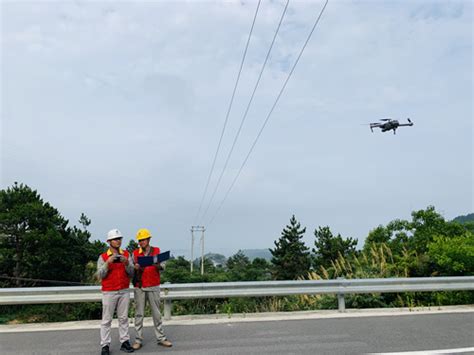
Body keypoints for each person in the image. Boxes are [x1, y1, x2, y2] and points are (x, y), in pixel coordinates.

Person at [131, 228, 172, 350]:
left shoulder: (156, 251)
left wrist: (157, 264)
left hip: (154, 285)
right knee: (139, 314)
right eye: (140, 240)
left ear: (149, 239)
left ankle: (161, 338)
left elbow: (163, 266)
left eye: (144, 239)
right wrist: (135, 267)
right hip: (140, 286)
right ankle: (138, 339)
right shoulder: (135, 253)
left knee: (156, 314)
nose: (142, 242)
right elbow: (130, 268)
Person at [97, 229, 135, 355]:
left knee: (123, 318)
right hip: (109, 291)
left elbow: (132, 273)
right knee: (106, 319)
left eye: (119, 239)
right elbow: (100, 275)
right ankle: (105, 345)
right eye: (115, 239)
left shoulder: (126, 255)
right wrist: (108, 263)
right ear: (109, 241)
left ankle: (125, 341)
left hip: (123, 290)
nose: (118, 241)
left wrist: (127, 263)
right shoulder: (103, 257)